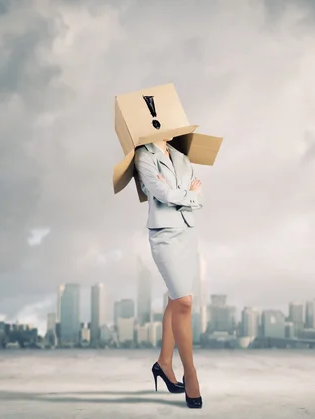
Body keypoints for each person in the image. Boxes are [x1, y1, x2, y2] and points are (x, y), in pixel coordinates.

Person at [134, 139, 203, 409]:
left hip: (187, 232)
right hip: (164, 233)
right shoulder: (143, 155)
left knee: (177, 300)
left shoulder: (181, 156)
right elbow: (161, 192)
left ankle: (164, 363)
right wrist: (187, 194)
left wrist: (180, 193)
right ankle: (191, 374)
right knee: (184, 301)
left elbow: (200, 196)